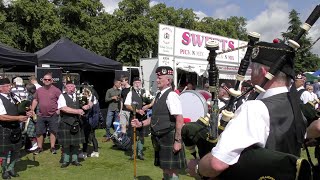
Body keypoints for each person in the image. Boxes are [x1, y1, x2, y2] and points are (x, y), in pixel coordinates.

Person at [186, 41, 307, 179]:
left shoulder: (255, 109)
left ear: (263, 72)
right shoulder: (297, 109)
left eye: (252, 69)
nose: (250, 75)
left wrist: (197, 168)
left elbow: (216, 163)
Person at [131, 66, 186, 180]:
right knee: (165, 168)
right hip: (160, 137)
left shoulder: (171, 95)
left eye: (160, 78)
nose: (157, 80)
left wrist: (177, 141)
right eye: (157, 77)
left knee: (171, 171)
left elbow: (179, 119)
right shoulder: (158, 95)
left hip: (169, 137)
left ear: (168, 80)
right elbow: (155, 118)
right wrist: (140, 124)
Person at [0, 78, 31, 179]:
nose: (10, 87)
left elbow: (21, 109)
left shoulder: (14, 96)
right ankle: (4, 170)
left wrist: (27, 112)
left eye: (10, 85)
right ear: (1, 88)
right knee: (5, 151)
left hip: (16, 128)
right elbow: (1, 116)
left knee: (16, 150)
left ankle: (11, 168)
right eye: (7, 86)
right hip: (5, 128)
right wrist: (18, 118)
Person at [57, 78, 89, 168]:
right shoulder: (62, 96)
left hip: (77, 122)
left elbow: (90, 101)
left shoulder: (79, 96)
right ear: (65, 87)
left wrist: (87, 105)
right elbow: (63, 108)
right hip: (66, 122)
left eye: (72, 86)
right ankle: (66, 161)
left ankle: (75, 160)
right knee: (66, 144)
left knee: (76, 143)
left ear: (75, 87)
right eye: (68, 86)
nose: (70, 88)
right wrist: (78, 111)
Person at [31, 72, 61, 154]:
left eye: (49, 79)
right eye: (45, 79)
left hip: (53, 114)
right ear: (43, 81)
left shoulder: (56, 90)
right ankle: (40, 147)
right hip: (41, 114)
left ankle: (52, 147)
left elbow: (62, 100)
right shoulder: (39, 90)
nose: (47, 80)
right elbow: (35, 100)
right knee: (39, 131)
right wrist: (32, 109)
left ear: (52, 81)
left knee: (53, 131)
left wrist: (58, 110)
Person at [124, 77, 146, 160]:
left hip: (143, 118)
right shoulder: (130, 93)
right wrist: (137, 111)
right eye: (136, 82)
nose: (138, 84)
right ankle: (134, 153)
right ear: (133, 84)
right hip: (134, 117)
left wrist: (148, 106)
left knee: (141, 135)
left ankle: (140, 153)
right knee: (134, 135)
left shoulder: (144, 92)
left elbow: (151, 101)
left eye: (139, 82)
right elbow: (127, 105)